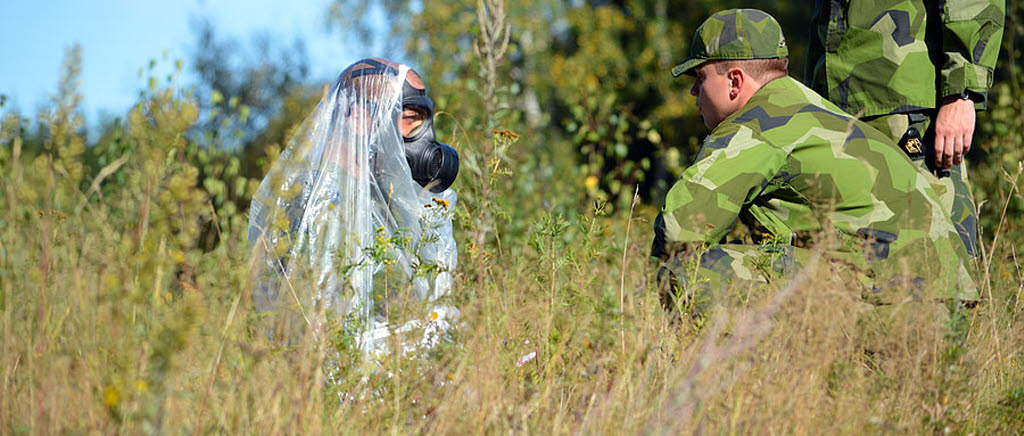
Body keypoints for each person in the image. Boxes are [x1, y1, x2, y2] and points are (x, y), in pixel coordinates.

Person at [652, 9, 976, 316]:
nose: (694, 90)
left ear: (735, 81)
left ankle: (746, 373)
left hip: (896, 308)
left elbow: (680, 228)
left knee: (687, 271)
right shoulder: (810, 108)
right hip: (941, 306)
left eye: (700, 76)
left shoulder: (758, 123)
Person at [248, 58, 460, 355]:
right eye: (409, 118)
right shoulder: (313, 201)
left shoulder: (381, 199)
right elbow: (319, 325)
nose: (420, 137)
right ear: (358, 116)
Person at [806, 0, 1005, 258]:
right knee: (855, 262)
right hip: (836, 97)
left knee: (939, 259)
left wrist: (962, 93)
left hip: (907, 100)